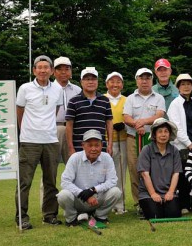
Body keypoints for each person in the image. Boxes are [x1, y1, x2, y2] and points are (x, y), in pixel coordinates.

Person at [15, 55, 64, 229]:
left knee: (50, 180)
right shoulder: (25, 88)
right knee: (25, 181)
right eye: (39, 67)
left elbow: (55, 110)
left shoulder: (58, 89)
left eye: (46, 67)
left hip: (51, 140)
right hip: (29, 141)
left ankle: (49, 215)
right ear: (34, 70)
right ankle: (22, 217)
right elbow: (19, 111)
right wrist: (25, 130)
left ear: (51, 71)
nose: (43, 70)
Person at [123, 68, 166, 215]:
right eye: (142, 78)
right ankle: (139, 203)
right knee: (135, 170)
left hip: (153, 139)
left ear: (152, 80)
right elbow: (126, 117)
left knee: (154, 171)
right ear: (137, 80)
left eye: (148, 78)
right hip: (133, 139)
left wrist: (142, 122)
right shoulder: (130, 98)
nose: (145, 81)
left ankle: (154, 199)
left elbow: (159, 115)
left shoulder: (159, 98)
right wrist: (137, 125)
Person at [58, 130, 122, 226]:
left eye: (97, 145)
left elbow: (112, 180)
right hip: (79, 198)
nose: (93, 149)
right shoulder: (75, 158)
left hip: (97, 199)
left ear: (101, 145)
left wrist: (94, 190)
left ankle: (100, 216)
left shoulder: (107, 158)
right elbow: (65, 182)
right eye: (90, 145)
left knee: (116, 192)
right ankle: (71, 218)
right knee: (63, 195)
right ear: (83, 145)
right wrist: (83, 194)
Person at [167, 74, 192, 213]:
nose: (186, 86)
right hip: (182, 145)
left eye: (189, 84)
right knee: (183, 175)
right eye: (183, 84)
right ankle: (183, 205)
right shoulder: (175, 104)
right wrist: (189, 144)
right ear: (178, 87)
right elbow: (176, 127)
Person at [137, 118, 182, 219]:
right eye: (160, 131)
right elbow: (145, 174)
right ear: (154, 134)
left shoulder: (174, 151)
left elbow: (176, 173)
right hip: (148, 193)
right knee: (155, 215)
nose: (163, 134)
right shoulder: (146, 150)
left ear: (170, 134)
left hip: (168, 192)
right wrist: (153, 193)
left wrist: (170, 192)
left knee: (174, 214)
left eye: (166, 131)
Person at [65, 67, 113, 156]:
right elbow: (69, 126)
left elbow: (109, 123)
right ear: (81, 82)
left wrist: (110, 144)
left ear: (97, 81)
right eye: (87, 79)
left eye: (93, 79)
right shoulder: (73, 101)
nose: (90, 82)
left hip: (100, 148)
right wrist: (71, 148)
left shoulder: (105, 100)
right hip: (79, 148)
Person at [104, 71, 128, 214]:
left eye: (118, 82)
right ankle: (105, 203)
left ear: (122, 85)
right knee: (105, 174)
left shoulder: (126, 100)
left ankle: (119, 204)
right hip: (106, 141)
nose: (115, 84)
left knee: (120, 173)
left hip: (122, 139)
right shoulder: (102, 98)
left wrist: (124, 125)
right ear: (107, 84)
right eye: (112, 81)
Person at [52, 56, 82, 164]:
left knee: (74, 163)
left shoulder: (77, 89)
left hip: (74, 128)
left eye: (67, 69)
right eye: (60, 69)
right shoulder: (49, 89)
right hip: (54, 128)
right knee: (51, 162)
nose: (63, 72)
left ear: (71, 71)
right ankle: (47, 182)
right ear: (53, 72)